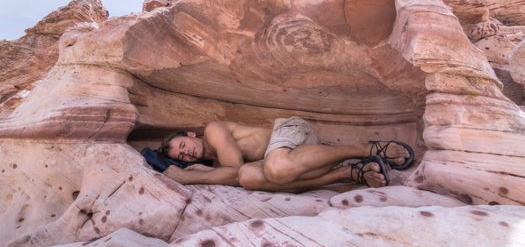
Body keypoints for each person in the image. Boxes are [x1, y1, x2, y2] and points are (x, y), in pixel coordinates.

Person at [159, 117, 414, 193]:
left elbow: (233, 170)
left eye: (183, 146)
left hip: (292, 132)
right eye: (183, 159)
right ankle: (350, 172)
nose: (187, 154)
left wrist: (191, 177)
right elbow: (240, 175)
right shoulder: (214, 162)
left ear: (191, 135)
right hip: (288, 159)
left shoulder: (212, 130)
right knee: (250, 177)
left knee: (273, 168)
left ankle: (365, 148)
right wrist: (207, 171)